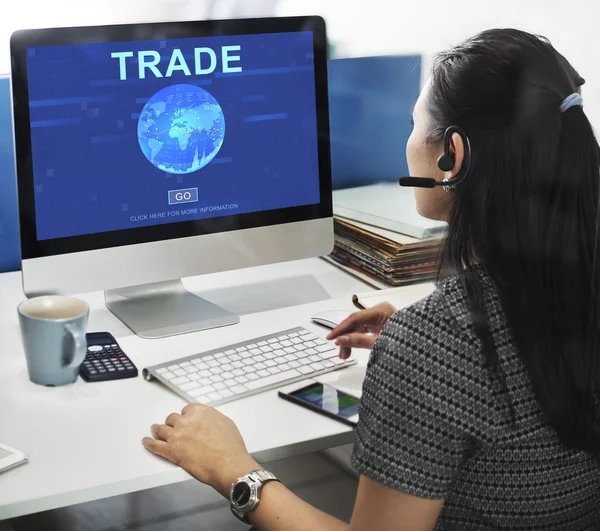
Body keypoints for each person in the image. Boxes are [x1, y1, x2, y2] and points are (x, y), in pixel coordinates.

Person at [143, 28, 600, 530]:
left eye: (413, 123)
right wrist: (426, 338)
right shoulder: (574, 286)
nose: (406, 141)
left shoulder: (438, 344)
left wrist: (234, 471)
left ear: (452, 156)